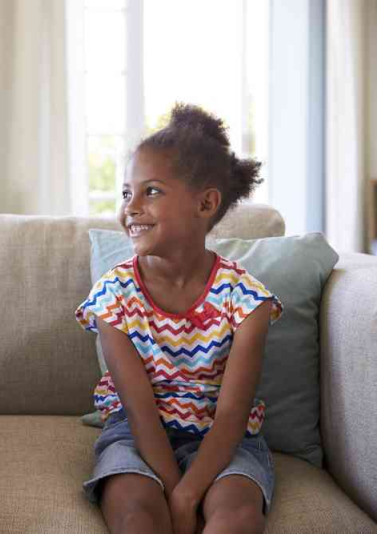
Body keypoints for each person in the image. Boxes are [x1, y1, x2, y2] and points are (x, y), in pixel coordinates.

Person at [75, 103, 282, 534]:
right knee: (135, 515)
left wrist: (188, 497)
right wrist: (171, 489)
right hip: (136, 436)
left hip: (225, 442)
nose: (131, 207)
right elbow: (138, 410)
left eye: (150, 191)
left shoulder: (247, 301)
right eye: (126, 193)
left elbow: (231, 415)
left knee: (238, 516)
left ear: (205, 203)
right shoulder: (115, 296)